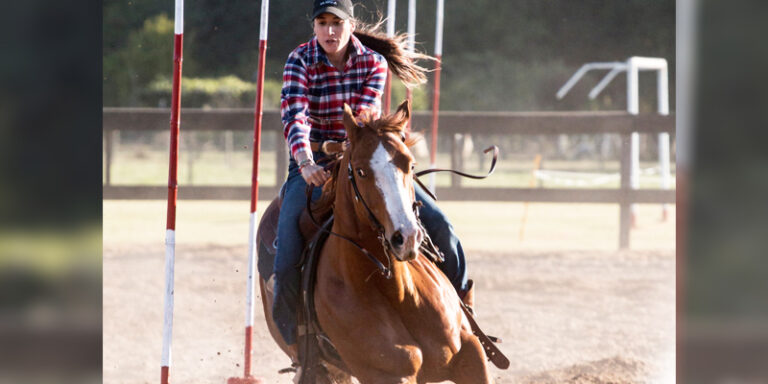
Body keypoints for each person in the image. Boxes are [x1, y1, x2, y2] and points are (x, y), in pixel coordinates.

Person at [273, 0, 474, 352]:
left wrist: (352, 151)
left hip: (368, 160)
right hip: (313, 163)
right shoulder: (299, 60)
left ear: (351, 26)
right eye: (322, 23)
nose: (329, 31)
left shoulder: (373, 63)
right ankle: (299, 342)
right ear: (314, 26)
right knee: (287, 247)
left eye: (337, 23)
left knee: (441, 225)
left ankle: (465, 316)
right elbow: (296, 114)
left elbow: (364, 115)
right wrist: (306, 161)